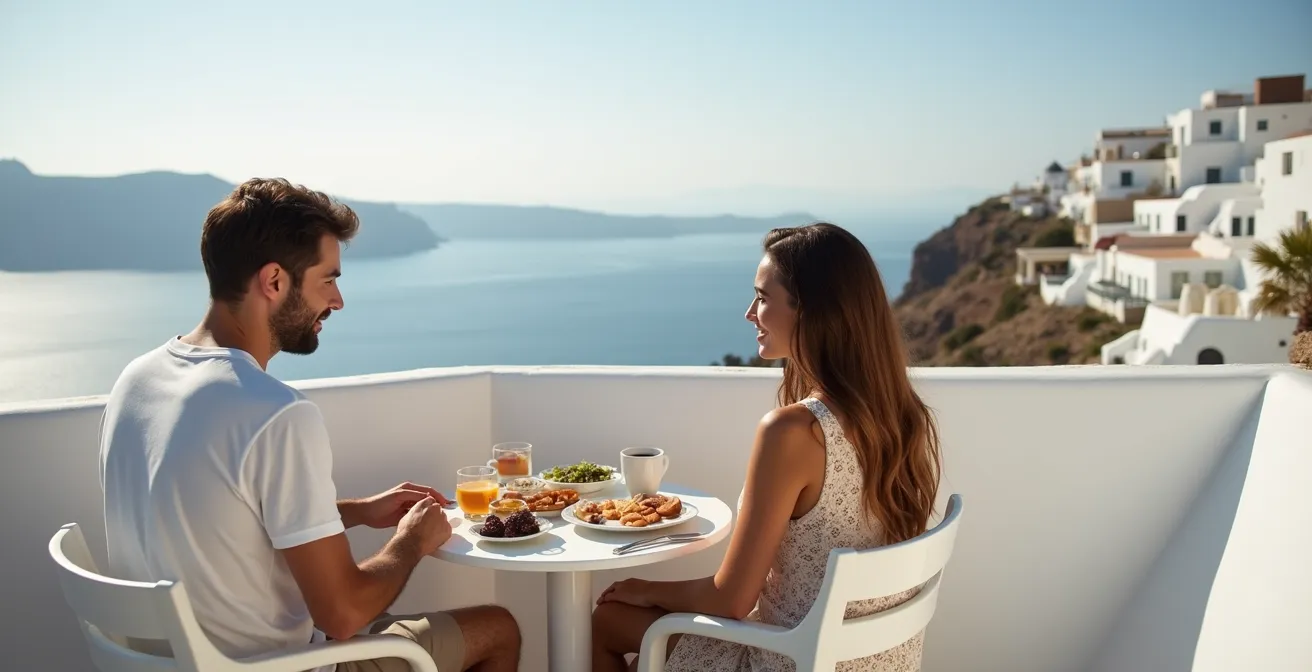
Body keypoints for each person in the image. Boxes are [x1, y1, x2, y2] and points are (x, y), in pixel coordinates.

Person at [99, 178, 521, 672]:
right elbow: (342, 614)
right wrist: (412, 541)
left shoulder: (136, 380)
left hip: (171, 662)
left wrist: (358, 511)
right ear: (275, 280)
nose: (338, 301)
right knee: (497, 629)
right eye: (328, 279)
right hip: (277, 666)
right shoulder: (273, 413)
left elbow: (222, 517)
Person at [590, 222, 943, 672]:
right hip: (875, 658)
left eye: (762, 297)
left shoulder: (794, 432)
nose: (749, 313)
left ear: (812, 311)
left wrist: (649, 588)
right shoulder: (902, 416)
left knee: (608, 621)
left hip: (793, 656)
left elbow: (731, 599)